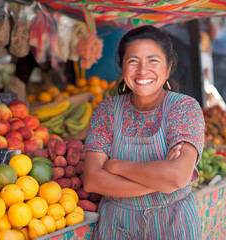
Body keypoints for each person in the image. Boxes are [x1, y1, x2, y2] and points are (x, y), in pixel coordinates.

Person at [83, 25, 205, 239]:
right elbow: (93, 180)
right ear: (121, 67)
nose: (142, 70)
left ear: (168, 67)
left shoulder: (185, 108)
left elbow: (177, 176)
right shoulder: (107, 110)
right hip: (117, 225)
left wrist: (115, 166)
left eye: (153, 61)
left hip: (173, 224)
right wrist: (160, 182)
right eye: (133, 61)